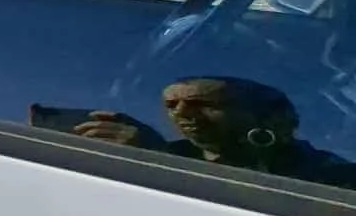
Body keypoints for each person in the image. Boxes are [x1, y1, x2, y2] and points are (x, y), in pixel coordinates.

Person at [73, 75, 356, 188]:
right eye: (171, 105)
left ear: (270, 119)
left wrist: (157, 163)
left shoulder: (331, 176)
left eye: (203, 104)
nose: (181, 114)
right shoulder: (168, 150)